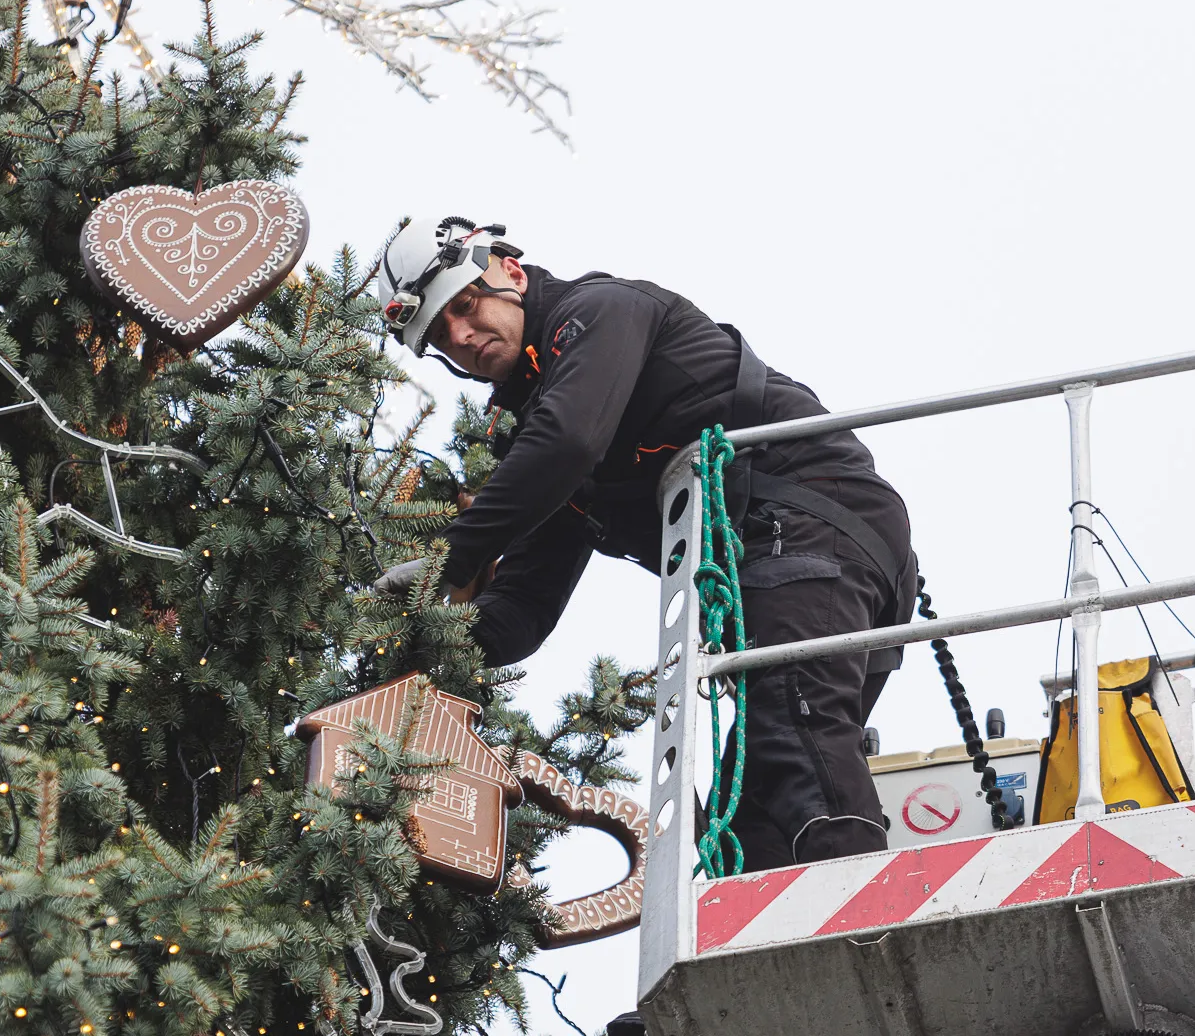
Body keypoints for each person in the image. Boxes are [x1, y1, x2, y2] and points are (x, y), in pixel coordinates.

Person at [375, 217, 915, 872]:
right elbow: (524, 609)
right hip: (791, 558)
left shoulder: (598, 314)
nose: (461, 336)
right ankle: (784, 940)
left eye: (465, 305)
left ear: (509, 272)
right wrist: (426, 629)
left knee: (794, 730)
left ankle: (855, 924)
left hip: (815, 517)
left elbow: (569, 440)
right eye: (440, 335)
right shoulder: (535, 440)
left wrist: (453, 557)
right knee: (755, 816)